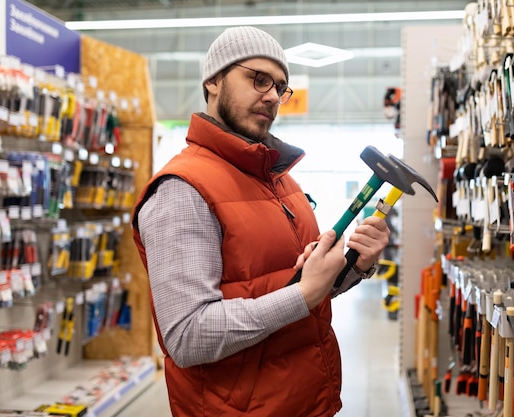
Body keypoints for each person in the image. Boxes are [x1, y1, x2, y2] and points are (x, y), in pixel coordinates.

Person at [132, 26, 390, 417]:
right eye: (259, 79)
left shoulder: (279, 179)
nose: (272, 95)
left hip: (306, 401)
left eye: (280, 86)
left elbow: (298, 288)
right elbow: (187, 336)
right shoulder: (182, 190)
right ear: (214, 81)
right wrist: (303, 295)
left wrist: (355, 265)